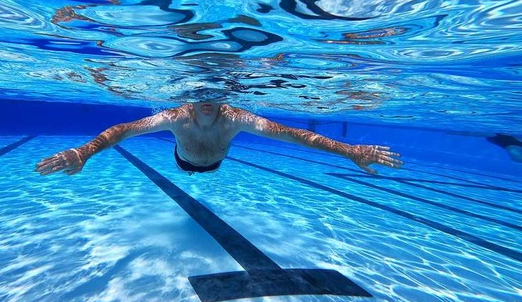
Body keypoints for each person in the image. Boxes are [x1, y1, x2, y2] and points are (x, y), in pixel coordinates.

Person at [35, 101, 403, 176]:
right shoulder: (174, 117)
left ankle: (197, 169)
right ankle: (189, 168)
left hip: (213, 164)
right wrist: (84, 151)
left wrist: (349, 150)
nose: (206, 101)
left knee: (199, 167)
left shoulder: (236, 119)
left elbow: (296, 136)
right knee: (187, 166)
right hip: (185, 160)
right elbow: (124, 130)